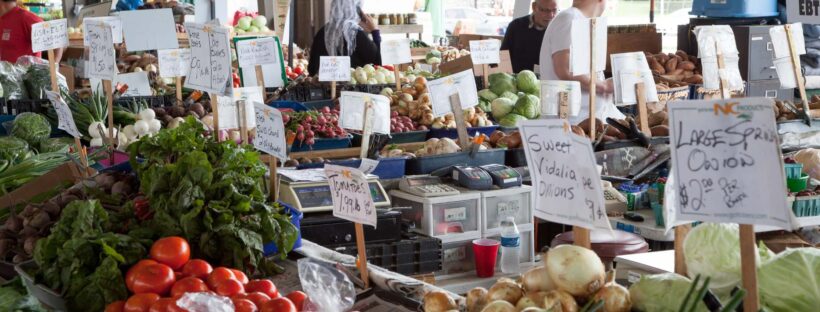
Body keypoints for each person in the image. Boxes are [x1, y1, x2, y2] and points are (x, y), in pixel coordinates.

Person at [538, 0, 624, 124]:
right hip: (572, 125)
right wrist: (603, 86)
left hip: (589, 120)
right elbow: (565, 69)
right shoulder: (569, 19)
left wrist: (602, 83)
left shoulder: (580, 20)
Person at [308, 0, 381, 75]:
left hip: (322, 86)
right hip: (352, 86)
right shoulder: (355, 33)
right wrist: (375, 32)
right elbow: (377, 65)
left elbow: (311, 69)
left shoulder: (321, 32)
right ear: (355, 10)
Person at [501, 0, 558, 73]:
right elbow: (503, 56)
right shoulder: (516, 26)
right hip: (515, 79)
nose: (551, 15)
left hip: (546, 81)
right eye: (545, 10)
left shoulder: (558, 30)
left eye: (554, 10)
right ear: (534, 7)